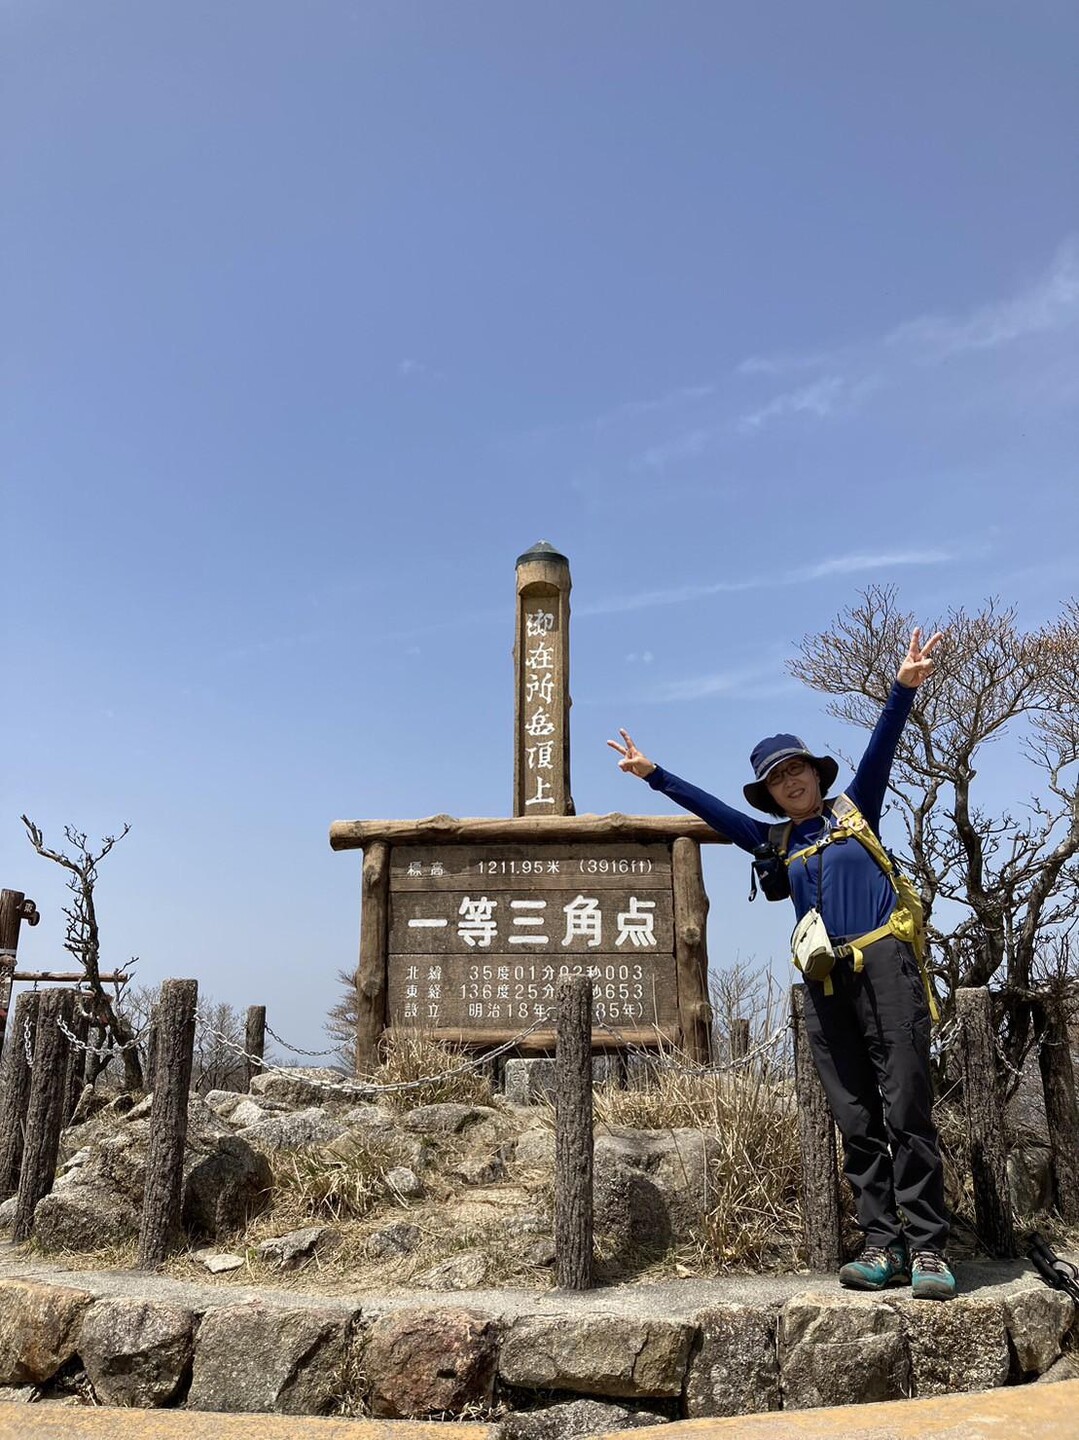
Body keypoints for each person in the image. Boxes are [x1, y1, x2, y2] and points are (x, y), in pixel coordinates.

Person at [608, 627, 956, 1301]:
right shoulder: (770, 839)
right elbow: (708, 809)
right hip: (823, 980)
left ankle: (930, 1250)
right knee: (854, 1114)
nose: (789, 780)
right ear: (767, 794)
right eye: (775, 778)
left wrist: (901, 688)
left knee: (906, 1101)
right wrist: (654, 774)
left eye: (796, 769)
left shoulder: (856, 809)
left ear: (815, 775)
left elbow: (883, 747)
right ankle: (882, 1245)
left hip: (885, 963)